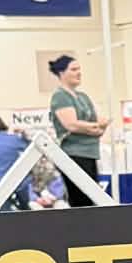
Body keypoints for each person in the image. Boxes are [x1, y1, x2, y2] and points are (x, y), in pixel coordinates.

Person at [47, 54, 109, 206]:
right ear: (61, 73)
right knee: (81, 200)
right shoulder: (60, 96)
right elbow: (71, 125)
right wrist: (93, 126)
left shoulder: (83, 97)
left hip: (91, 153)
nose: (78, 73)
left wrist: (95, 126)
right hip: (73, 154)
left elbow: (97, 124)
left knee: (92, 198)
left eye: (79, 69)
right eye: (73, 69)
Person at [0, 116, 31, 209]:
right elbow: (29, 147)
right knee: (26, 209)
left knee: (3, 210)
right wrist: (24, 136)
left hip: (2, 181)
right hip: (21, 180)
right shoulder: (15, 139)